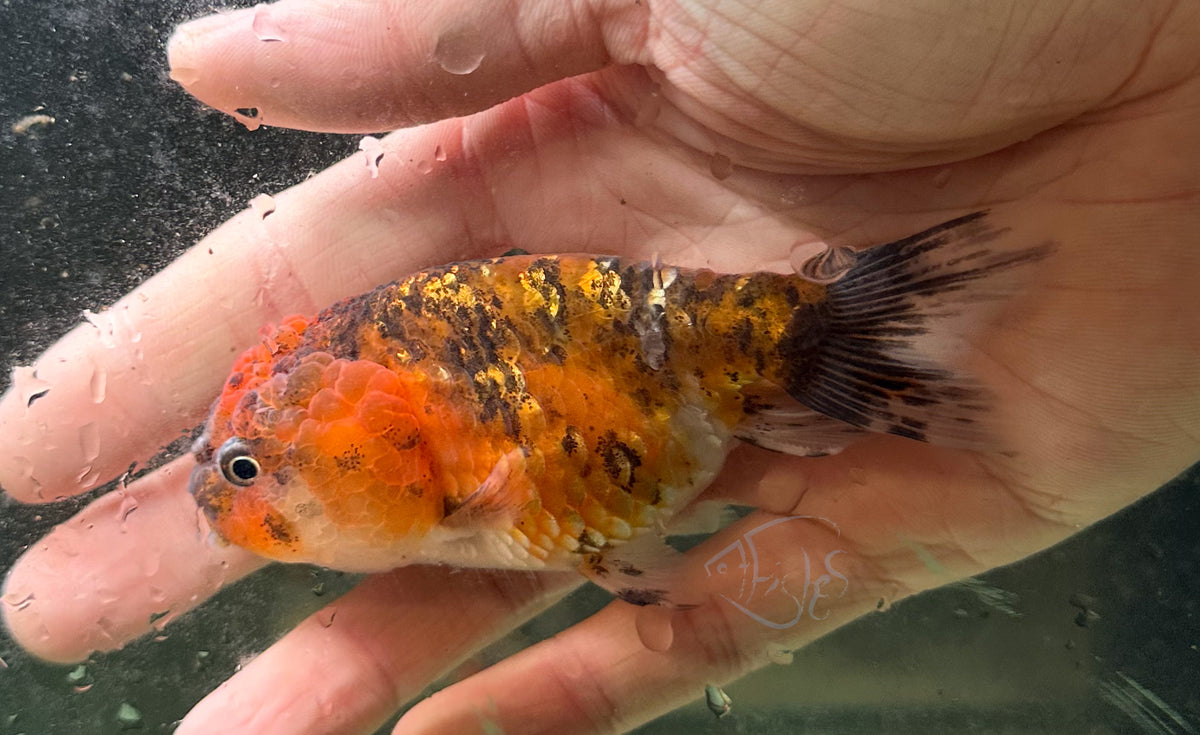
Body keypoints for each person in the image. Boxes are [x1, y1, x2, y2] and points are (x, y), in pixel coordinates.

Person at [2, 0, 1198, 732]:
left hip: (648, 364)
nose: (237, 493)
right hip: (621, 390)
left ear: (394, 450)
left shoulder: (452, 470)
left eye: (254, 466)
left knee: (784, 345)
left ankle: (846, 336)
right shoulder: (397, 447)